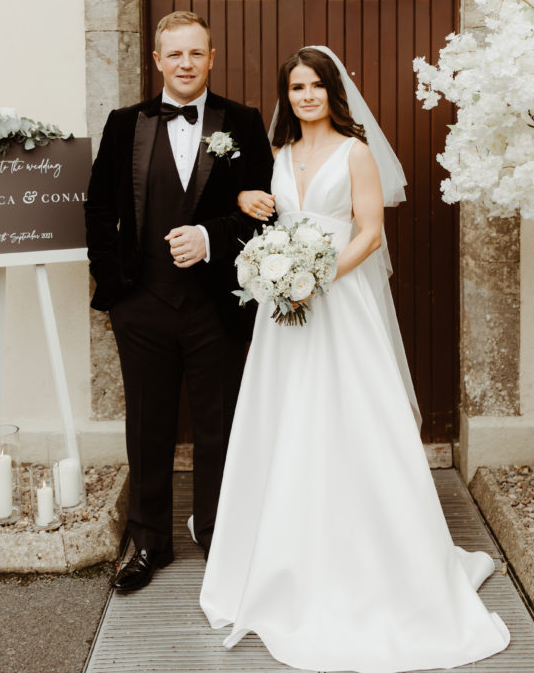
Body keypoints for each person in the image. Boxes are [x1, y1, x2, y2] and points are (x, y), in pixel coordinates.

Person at [200, 46, 510, 672]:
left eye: (315, 86)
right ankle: (282, 554)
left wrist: (317, 278)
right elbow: (265, 217)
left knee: (355, 418)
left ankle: (385, 557)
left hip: (338, 302)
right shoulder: (279, 155)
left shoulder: (356, 152)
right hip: (283, 311)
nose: (306, 96)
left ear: (332, 92)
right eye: (296, 87)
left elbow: (370, 233)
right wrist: (263, 245)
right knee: (286, 421)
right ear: (286, 96)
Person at [84, 11, 273, 593]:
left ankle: (219, 536)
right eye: (175, 55)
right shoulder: (125, 124)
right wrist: (115, 286)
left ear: (211, 58)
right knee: (148, 426)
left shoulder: (241, 121)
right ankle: (148, 542)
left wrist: (212, 236)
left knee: (218, 427)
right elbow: (97, 209)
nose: (186, 64)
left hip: (216, 306)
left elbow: (265, 209)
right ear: (157, 61)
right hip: (140, 306)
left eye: (196, 54)